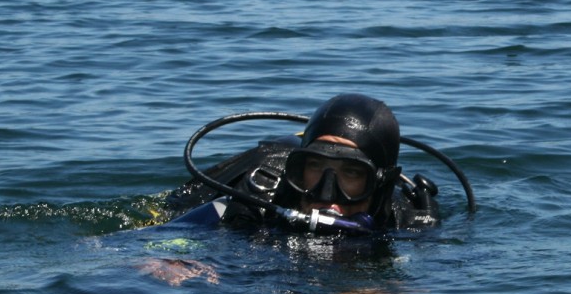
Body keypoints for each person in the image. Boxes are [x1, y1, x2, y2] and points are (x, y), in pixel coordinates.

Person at [160, 93, 442, 235]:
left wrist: (426, 240)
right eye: (315, 167)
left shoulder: (403, 218)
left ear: (380, 184)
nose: (326, 195)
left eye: (353, 174)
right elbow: (167, 237)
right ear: (298, 168)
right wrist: (177, 258)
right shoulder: (259, 195)